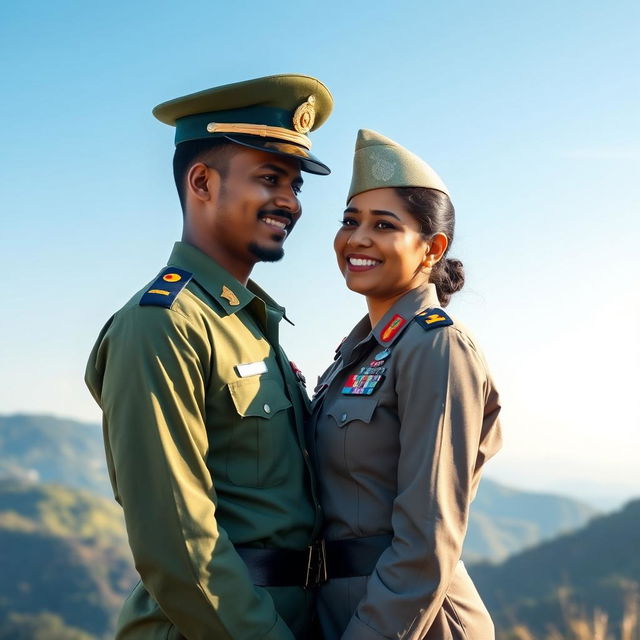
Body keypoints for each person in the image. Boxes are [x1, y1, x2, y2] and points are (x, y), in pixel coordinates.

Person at [85, 74, 333, 640]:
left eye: (296, 186)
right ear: (202, 181)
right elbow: (176, 540)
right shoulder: (163, 323)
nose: (290, 203)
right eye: (270, 178)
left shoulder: (246, 323)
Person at [309, 129, 503, 640]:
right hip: (346, 610)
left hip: (411, 624)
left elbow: (428, 537)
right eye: (350, 222)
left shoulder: (437, 346)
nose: (358, 238)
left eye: (383, 225)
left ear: (431, 248)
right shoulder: (359, 353)